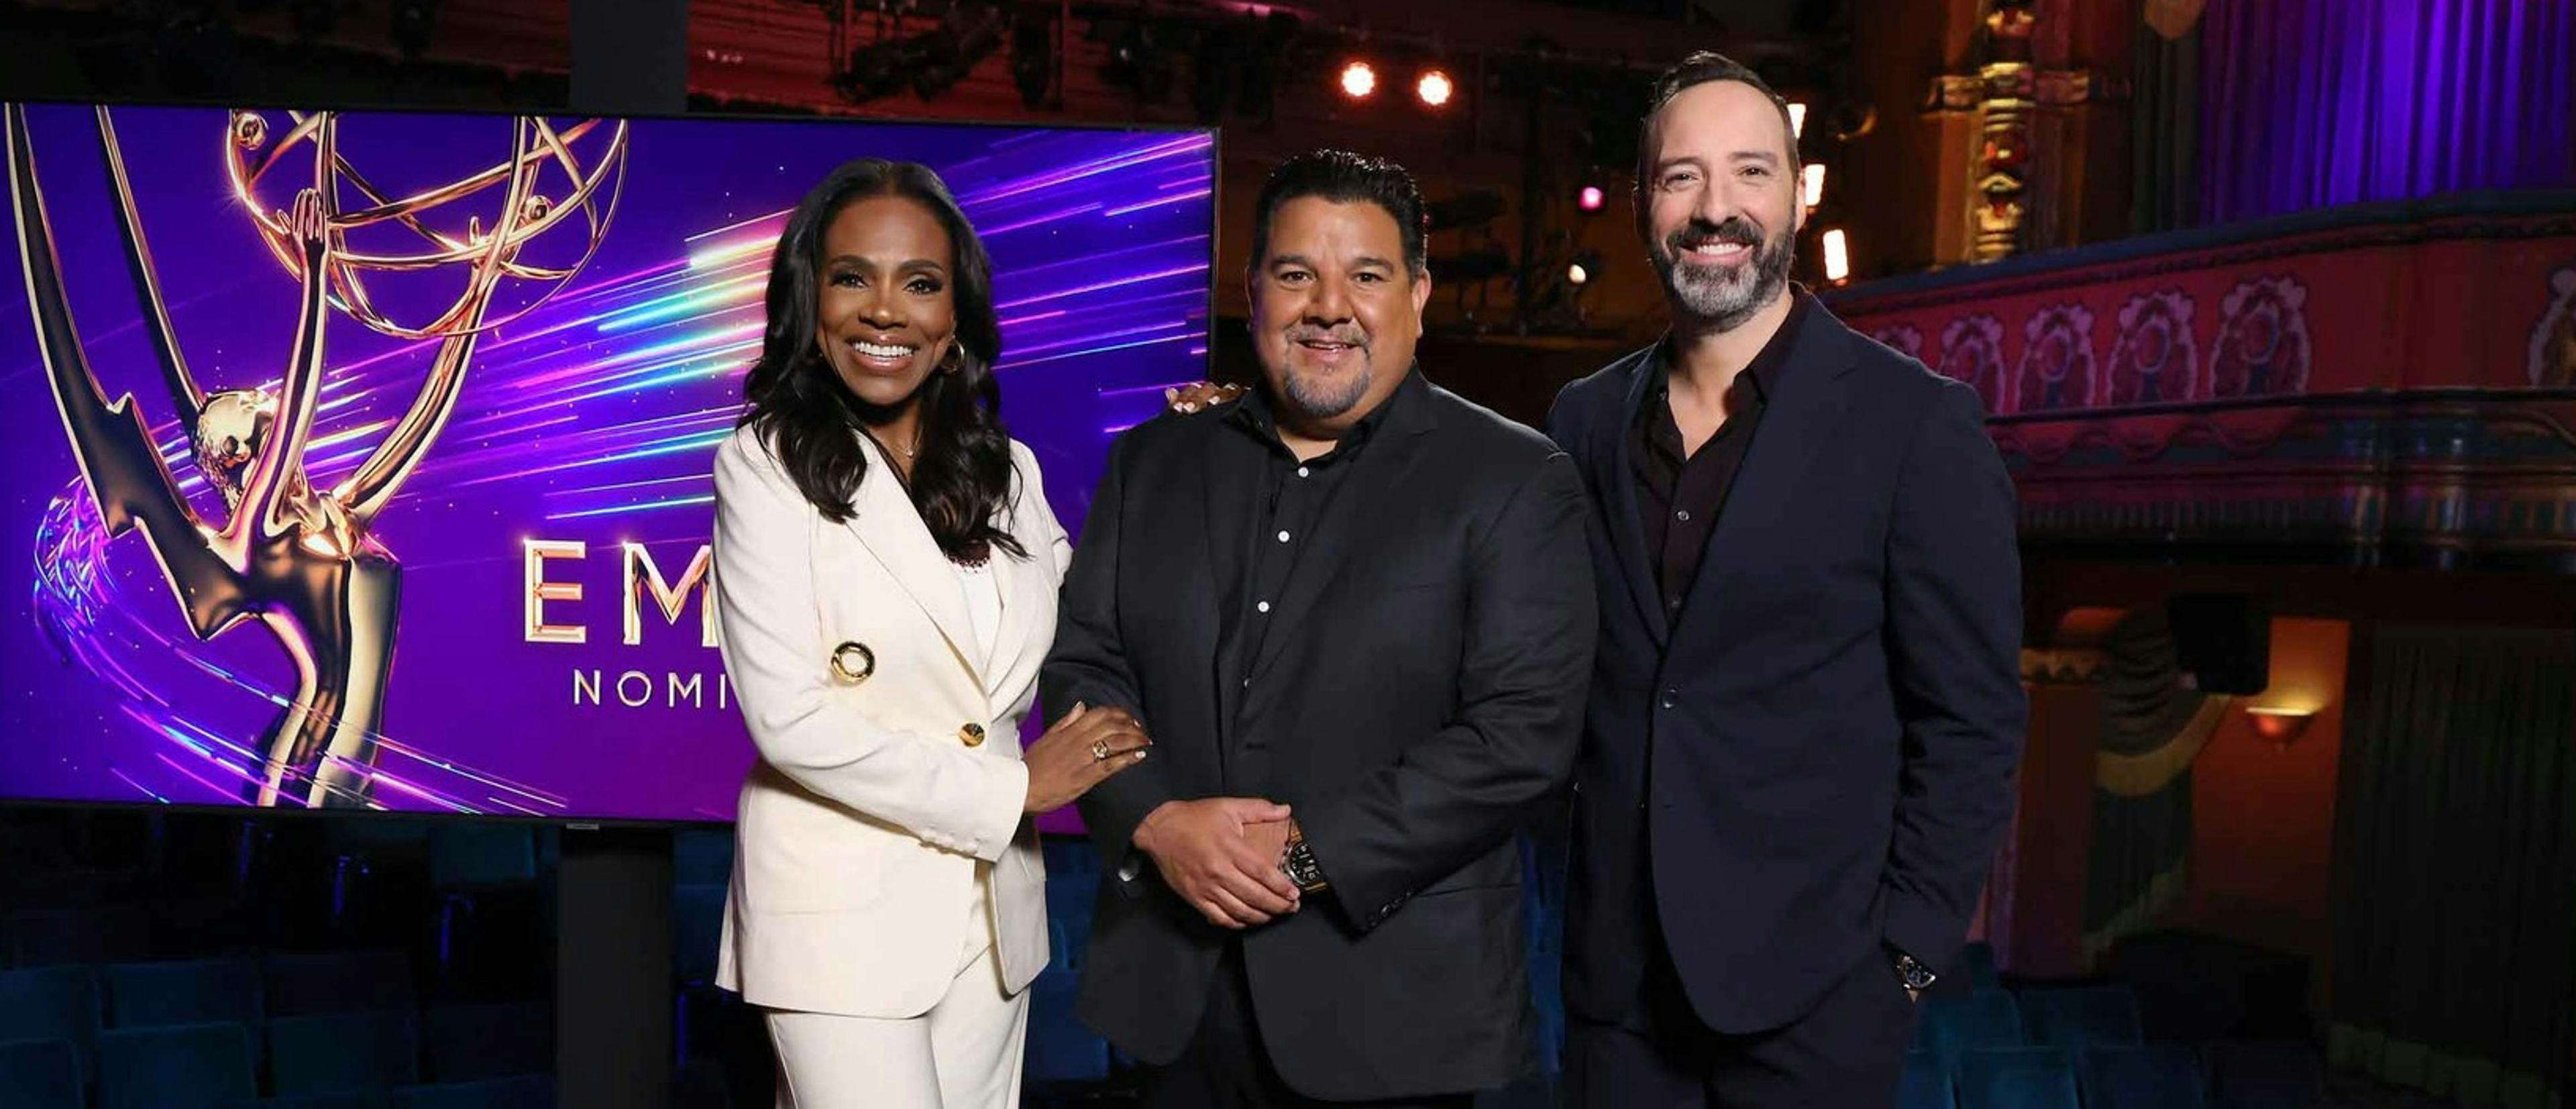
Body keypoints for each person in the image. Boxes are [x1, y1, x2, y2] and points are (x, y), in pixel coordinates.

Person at [1044, 149, 1596, 1108]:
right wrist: (1161, 822)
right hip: (1170, 992)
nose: (1329, 305)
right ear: (1254, 291)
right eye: (1297, 274)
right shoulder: (1153, 460)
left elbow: (1522, 735)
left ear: (1418, 294)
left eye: (1367, 276)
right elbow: (1088, 665)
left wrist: (1298, 853)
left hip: (1393, 1010)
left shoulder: (1513, 479)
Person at [1544, 52, 2027, 1106]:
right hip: (1616, 998)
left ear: (1798, 199)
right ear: (1642, 204)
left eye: (1750, 172)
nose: (1717, 208)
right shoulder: (1579, 422)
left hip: (1820, 1004)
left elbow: (1975, 720)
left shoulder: (1916, 425)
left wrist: (1901, 959)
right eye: (1682, 177)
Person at [709, 158, 1150, 1108]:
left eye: (919, 282)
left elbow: (1107, 616)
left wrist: (1204, 451)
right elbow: (789, 719)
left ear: (955, 320)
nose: (885, 310)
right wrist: (1015, 786)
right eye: (851, 277)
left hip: (991, 919)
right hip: (837, 916)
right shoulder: (764, 464)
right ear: (810, 299)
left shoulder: (1010, 472)